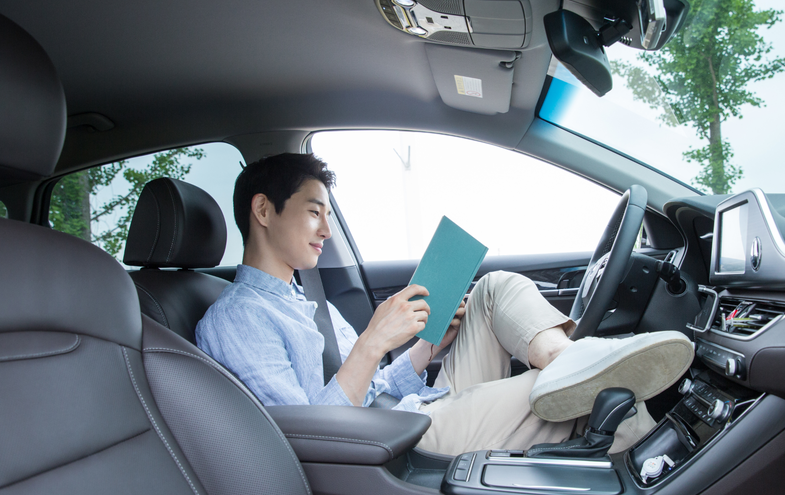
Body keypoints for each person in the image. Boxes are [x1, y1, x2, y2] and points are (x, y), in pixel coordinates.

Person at [196, 153, 693, 456]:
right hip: (384, 445)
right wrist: (371, 344)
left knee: (493, 288)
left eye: (328, 215)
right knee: (586, 392)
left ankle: (569, 358)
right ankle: (658, 472)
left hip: (401, 413)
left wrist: (427, 349)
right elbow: (304, 442)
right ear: (264, 210)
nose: (326, 230)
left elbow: (373, 390)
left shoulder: (301, 301)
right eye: (314, 213)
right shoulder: (237, 318)